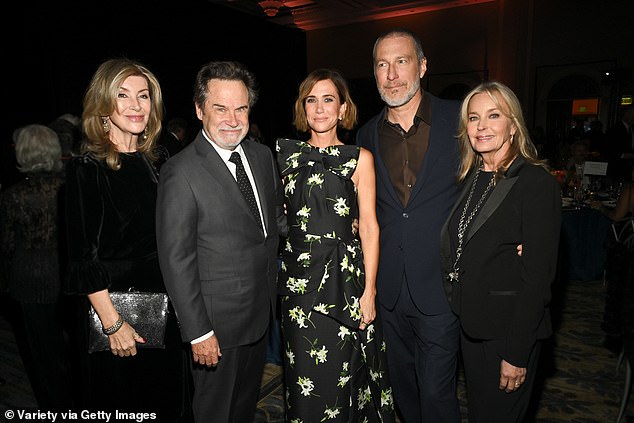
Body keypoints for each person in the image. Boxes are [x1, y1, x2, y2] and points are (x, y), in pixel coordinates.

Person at [156, 60, 286, 423]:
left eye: (241, 108)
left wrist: (333, 221)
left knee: (244, 408)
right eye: (221, 108)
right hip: (216, 327)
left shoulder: (261, 156)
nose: (233, 118)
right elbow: (176, 260)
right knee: (215, 413)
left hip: (260, 314)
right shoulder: (179, 172)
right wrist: (198, 331)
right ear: (199, 110)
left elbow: (273, 224)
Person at [64, 58, 190, 421]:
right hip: (119, 308)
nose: (136, 105)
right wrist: (113, 324)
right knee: (126, 405)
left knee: (168, 402)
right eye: (123, 96)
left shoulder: (160, 159)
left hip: (167, 304)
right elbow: (82, 259)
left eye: (144, 96)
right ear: (103, 105)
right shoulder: (87, 168)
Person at [276, 69, 395, 422]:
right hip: (298, 286)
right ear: (303, 108)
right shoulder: (285, 155)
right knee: (302, 381)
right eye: (311, 100)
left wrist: (370, 291)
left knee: (344, 378)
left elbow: (370, 227)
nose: (320, 108)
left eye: (328, 99)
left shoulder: (360, 158)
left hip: (346, 283)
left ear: (343, 108)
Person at [355, 28, 462, 422]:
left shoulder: (459, 120)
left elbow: (492, 177)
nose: (392, 74)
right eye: (382, 65)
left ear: (422, 65)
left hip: (440, 286)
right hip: (388, 292)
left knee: (436, 393)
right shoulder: (365, 135)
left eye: (401, 61)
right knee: (403, 391)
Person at [440, 81, 561, 423]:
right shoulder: (471, 177)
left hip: (509, 332)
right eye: (474, 117)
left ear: (513, 124)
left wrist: (517, 353)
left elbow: (538, 281)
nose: (481, 126)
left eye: (494, 116)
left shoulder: (536, 184)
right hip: (473, 325)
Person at [0, 124, 73, 410]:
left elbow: (5, 245)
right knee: (71, 350)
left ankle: (54, 408)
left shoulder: (13, 196)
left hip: (29, 282)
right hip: (67, 278)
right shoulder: (69, 186)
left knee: (43, 353)